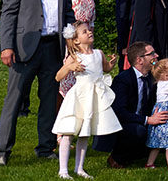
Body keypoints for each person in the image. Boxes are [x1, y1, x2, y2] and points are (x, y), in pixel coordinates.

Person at [0, 0, 75, 165]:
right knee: (15, 100)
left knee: (49, 100)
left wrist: (71, 40)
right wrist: (7, 46)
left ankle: (46, 148)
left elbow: (68, 13)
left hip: (53, 48)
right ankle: (2, 151)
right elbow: (8, 14)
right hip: (24, 48)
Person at [51, 21, 120, 179]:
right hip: (79, 97)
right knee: (68, 132)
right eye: (84, 31)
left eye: (89, 30)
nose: (89, 32)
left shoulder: (98, 53)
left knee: (84, 134)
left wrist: (111, 64)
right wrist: (70, 67)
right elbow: (58, 77)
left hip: (93, 97)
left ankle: (79, 168)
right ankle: (63, 170)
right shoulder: (74, 57)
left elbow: (105, 69)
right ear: (76, 40)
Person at [92, 43, 168, 167]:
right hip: (123, 124)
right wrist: (148, 120)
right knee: (139, 131)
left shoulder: (152, 77)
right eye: (152, 54)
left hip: (142, 120)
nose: (156, 55)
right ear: (140, 60)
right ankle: (116, 157)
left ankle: (139, 154)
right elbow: (119, 112)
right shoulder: (123, 79)